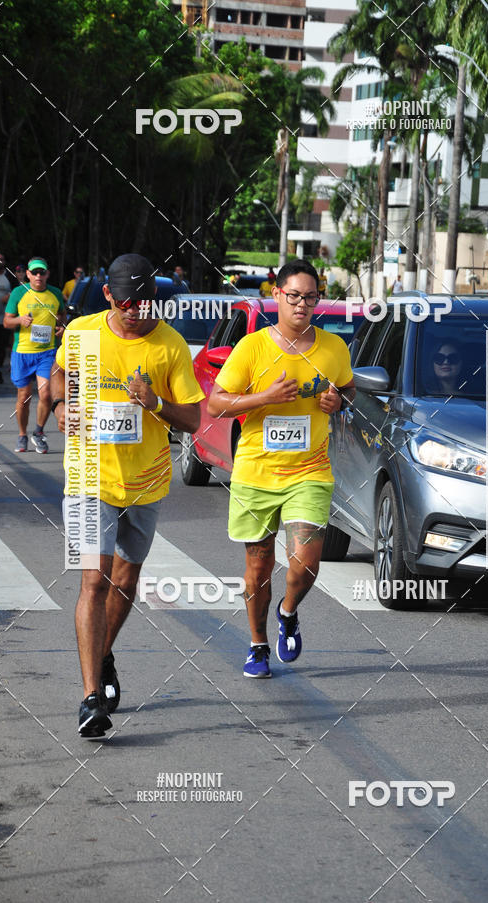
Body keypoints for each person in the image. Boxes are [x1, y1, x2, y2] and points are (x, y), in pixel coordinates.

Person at [51, 253, 204, 739]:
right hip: (88, 477)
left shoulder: (169, 345)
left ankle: (103, 654)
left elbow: (193, 419)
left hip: (146, 482)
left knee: (124, 580)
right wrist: (61, 403)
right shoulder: (82, 333)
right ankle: (91, 698)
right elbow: (59, 372)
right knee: (93, 581)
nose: (137, 311)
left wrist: (155, 402)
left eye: (145, 302)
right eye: (127, 302)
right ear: (109, 296)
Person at [208, 258, 355, 678]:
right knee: (258, 567)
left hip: (309, 471)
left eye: (311, 297)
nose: (302, 305)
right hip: (256, 473)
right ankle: (257, 646)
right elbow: (216, 404)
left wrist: (338, 402)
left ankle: (287, 613)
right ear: (276, 295)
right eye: (294, 296)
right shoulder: (252, 348)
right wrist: (264, 398)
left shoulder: (333, 348)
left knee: (305, 564)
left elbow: (349, 390)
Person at [3, 257, 65, 453]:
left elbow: (62, 315)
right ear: (28, 274)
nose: (39, 276)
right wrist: (19, 320)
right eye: (35, 272)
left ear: (47, 274)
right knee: (24, 397)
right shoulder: (18, 293)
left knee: (46, 393)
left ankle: (38, 432)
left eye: (42, 272)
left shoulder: (55, 293)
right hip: (22, 353)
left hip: (47, 353)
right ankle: (22, 434)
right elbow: (6, 321)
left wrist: (61, 327)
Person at [0, 252, 11, 384]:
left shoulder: (9, 276)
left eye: (1, 259)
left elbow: (17, 292)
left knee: (1, 348)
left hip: (3, 319)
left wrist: (10, 297)